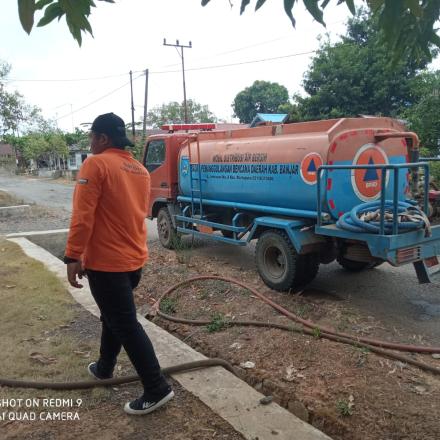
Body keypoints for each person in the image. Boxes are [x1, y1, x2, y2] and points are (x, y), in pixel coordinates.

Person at [63, 112, 174, 415]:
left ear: (102, 138)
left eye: (92, 137)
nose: (90, 143)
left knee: (124, 323)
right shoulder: (139, 169)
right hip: (133, 261)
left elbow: (83, 217)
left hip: (108, 264)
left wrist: (73, 256)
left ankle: (156, 387)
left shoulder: (95, 164)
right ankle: (104, 367)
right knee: (113, 316)